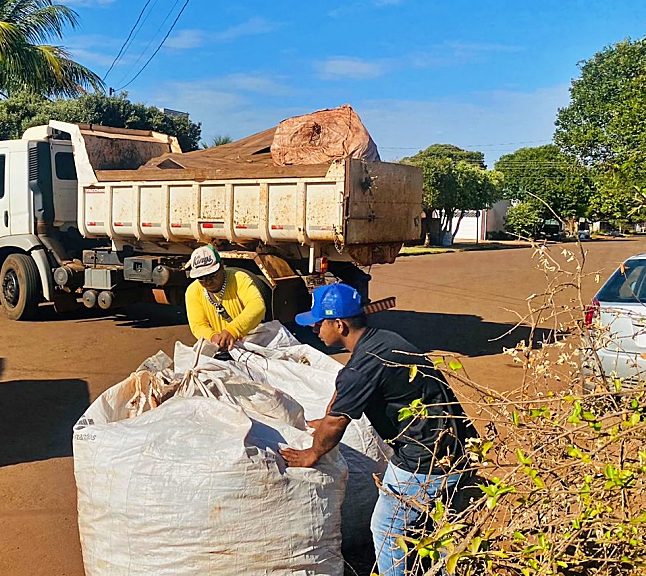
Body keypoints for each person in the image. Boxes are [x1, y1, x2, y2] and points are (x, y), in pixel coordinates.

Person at [279, 283, 476, 576]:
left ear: (340, 325)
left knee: (387, 526)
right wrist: (327, 417)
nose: (315, 330)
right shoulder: (380, 342)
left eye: (319, 324)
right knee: (442, 526)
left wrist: (313, 453)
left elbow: (337, 422)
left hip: (424, 456)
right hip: (459, 446)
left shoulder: (364, 365)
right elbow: (343, 390)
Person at [184, 245, 266, 352]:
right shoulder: (193, 291)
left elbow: (257, 306)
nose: (208, 282)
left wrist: (233, 330)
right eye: (201, 278)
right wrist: (213, 337)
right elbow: (198, 325)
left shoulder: (239, 278)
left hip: (249, 341)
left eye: (212, 275)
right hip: (220, 347)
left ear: (222, 266)